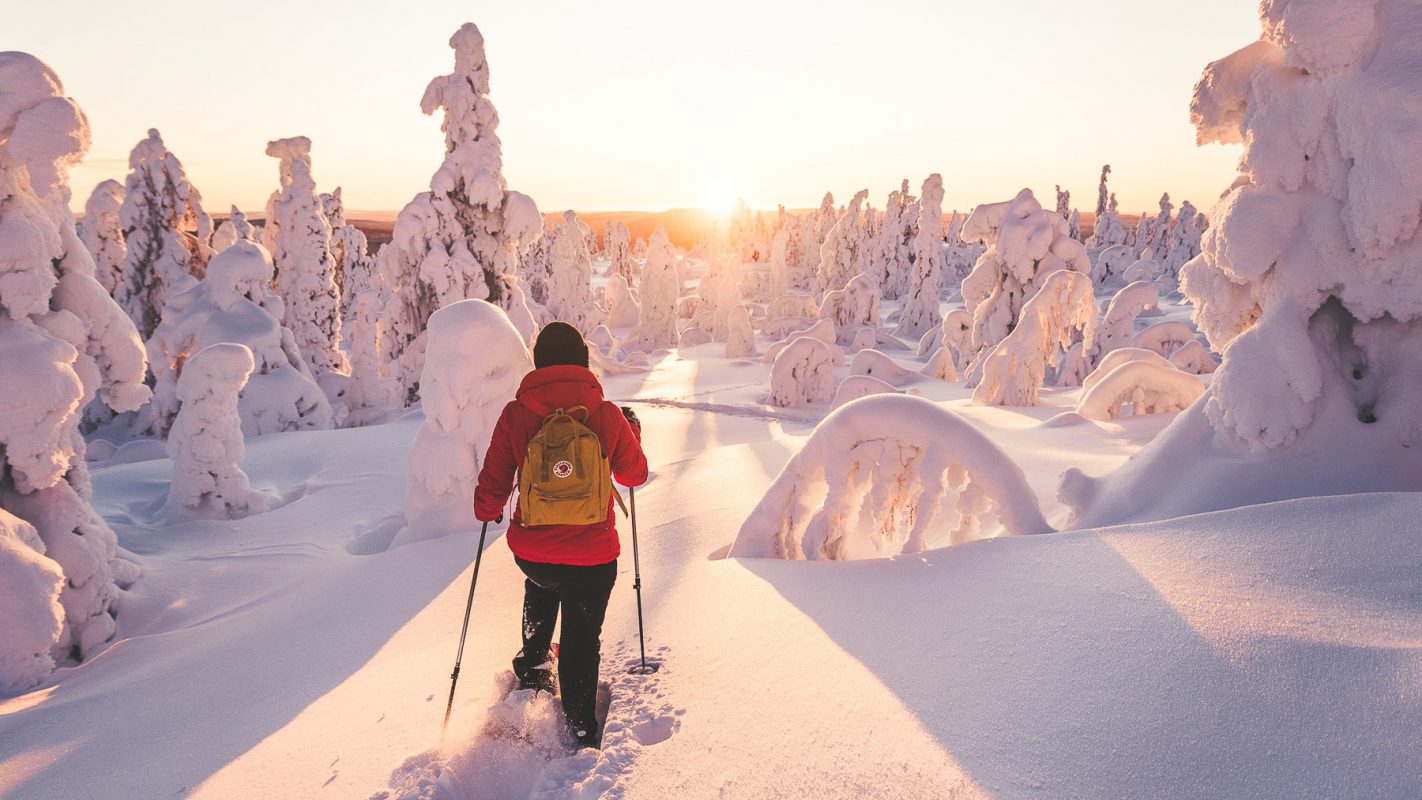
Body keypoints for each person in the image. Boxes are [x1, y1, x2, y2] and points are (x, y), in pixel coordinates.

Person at [473, 321, 648, 748]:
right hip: (593, 555)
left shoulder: (516, 413)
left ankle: (533, 668)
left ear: (539, 365)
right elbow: (635, 473)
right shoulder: (604, 414)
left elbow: (493, 482)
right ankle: (581, 724)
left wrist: (488, 510)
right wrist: (631, 432)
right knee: (582, 637)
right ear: (583, 364)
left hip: (533, 552)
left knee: (543, 582)